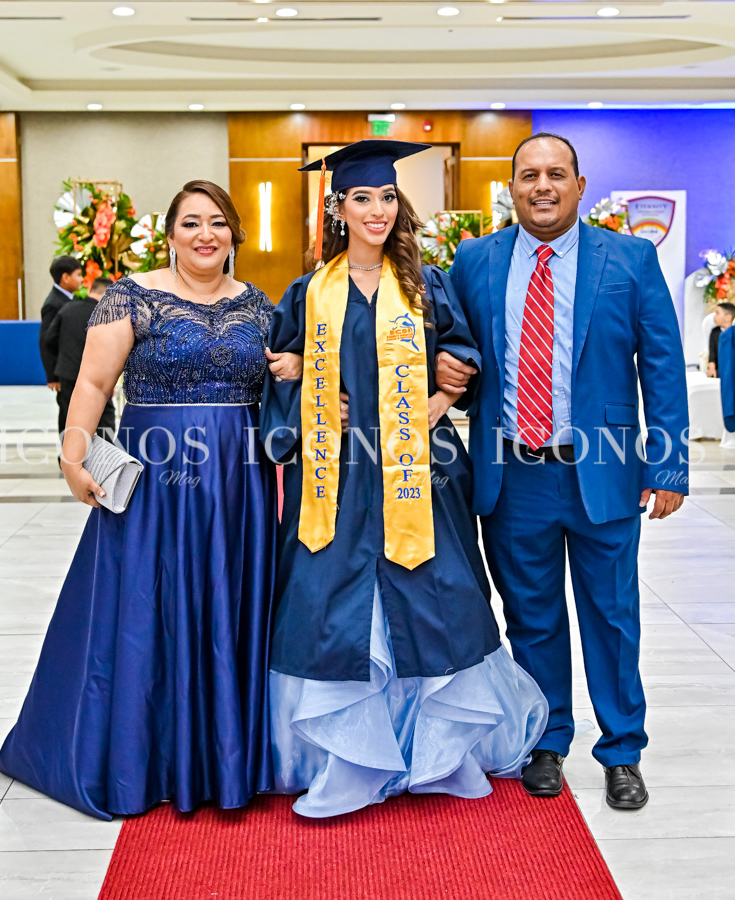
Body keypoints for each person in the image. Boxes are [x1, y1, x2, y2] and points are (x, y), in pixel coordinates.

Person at [260, 140, 547, 820]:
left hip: (422, 467)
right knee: (334, 603)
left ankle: (436, 756)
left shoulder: (425, 285)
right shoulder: (308, 292)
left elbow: (464, 353)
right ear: (337, 208)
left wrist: (438, 400)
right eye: (362, 197)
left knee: (433, 598)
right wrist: (304, 392)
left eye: (387, 197)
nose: (377, 210)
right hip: (336, 471)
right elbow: (277, 375)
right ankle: (349, 760)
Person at [0, 181, 277, 820]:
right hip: (158, 480)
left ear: (235, 233)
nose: (205, 234)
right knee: (148, 606)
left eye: (217, 222)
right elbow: (93, 382)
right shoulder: (132, 296)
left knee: (228, 601)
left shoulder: (259, 304)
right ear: (170, 234)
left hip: (239, 483)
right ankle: (143, 758)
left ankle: (225, 757)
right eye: (191, 222)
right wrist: (73, 456)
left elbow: (284, 383)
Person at [436, 133, 689, 810]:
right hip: (512, 474)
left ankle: (622, 749)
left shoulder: (629, 258)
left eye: (555, 174)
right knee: (531, 616)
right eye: (528, 175)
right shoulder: (476, 260)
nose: (541, 186)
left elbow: (662, 366)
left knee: (613, 616)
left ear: (579, 185)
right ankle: (545, 740)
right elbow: (454, 349)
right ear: (510, 188)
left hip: (603, 470)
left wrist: (668, 464)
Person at [44, 277, 117, 442]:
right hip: (97, 375)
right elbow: (112, 348)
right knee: (104, 415)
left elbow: (50, 339)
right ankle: (105, 454)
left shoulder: (67, 308)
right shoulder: (106, 314)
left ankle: (69, 453)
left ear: (91, 290)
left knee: (69, 415)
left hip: (67, 373)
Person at [40, 256, 83, 428]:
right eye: (78, 275)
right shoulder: (53, 303)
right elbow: (46, 341)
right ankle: (66, 444)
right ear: (65, 277)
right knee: (67, 411)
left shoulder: (71, 300)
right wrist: (52, 376)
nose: (81, 279)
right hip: (63, 371)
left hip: (72, 367)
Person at [707, 302, 735, 378]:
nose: (714, 316)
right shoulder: (715, 332)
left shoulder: (733, 333)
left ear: (728, 317)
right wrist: (711, 369)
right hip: (719, 370)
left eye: (717, 313)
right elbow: (712, 354)